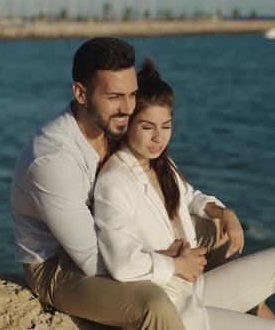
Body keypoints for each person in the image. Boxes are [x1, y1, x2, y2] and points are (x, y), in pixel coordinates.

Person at [93, 59, 275, 330]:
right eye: (147, 127)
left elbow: (190, 197)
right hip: (172, 305)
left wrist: (222, 212)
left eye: (166, 126)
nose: (159, 138)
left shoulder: (162, 164)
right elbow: (120, 263)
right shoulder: (114, 182)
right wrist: (175, 264)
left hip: (197, 288)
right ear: (128, 125)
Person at [11, 37, 188, 329]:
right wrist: (166, 261)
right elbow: (93, 261)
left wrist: (215, 210)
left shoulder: (112, 126)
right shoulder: (53, 159)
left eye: (132, 94)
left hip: (119, 240)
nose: (129, 108)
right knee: (153, 303)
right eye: (115, 97)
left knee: (215, 236)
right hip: (59, 266)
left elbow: (166, 179)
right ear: (81, 93)